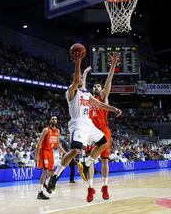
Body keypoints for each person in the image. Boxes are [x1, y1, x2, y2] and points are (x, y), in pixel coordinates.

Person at [47, 49, 122, 200]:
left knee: (104, 143)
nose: (81, 79)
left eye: (82, 78)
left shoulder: (89, 95)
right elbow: (76, 81)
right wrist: (78, 63)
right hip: (78, 125)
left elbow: (100, 104)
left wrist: (113, 109)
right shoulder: (71, 91)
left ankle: (88, 165)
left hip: (91, 126)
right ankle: (57, 177)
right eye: (79, 78)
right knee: (75, 151)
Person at [81, 52, 119, 201]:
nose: (96, 87)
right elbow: (82, 87)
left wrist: (113, 66)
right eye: (95, 86)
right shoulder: (89, 99)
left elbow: (109, 82)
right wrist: (84, 73)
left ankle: (104, 186)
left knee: (104, 160)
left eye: (98, 86)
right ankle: (90, 188)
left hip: (104, 131)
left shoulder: (103, 97)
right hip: (90, 132)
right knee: (90, 159)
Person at [35, 116, 66, 200]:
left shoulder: (58, 131)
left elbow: (58, 144)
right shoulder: (46, 130)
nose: (54, 120)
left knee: (51, 172)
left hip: (51, 152)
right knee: (45, 172)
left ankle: (46, 184)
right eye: (52, 118)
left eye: (56, 119)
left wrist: (65, 153)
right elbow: (39, 142)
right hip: (44, 152)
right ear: (50, 120)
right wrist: (36, 155)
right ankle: (40, 192)